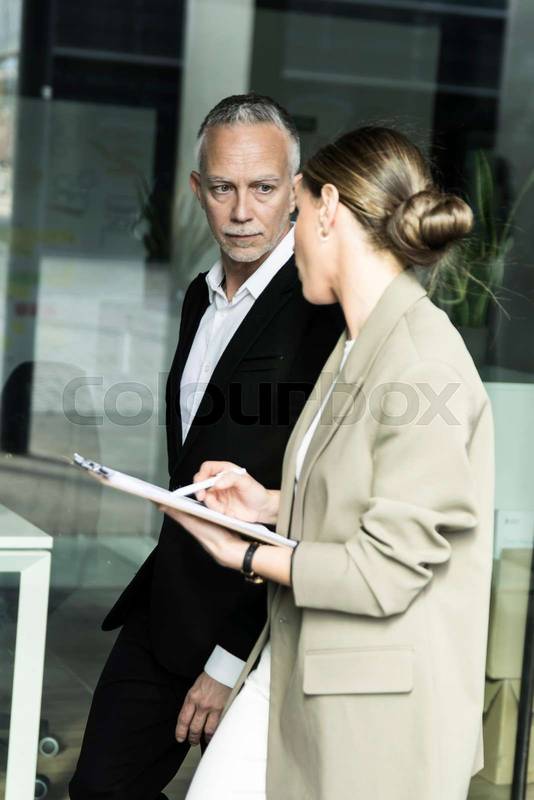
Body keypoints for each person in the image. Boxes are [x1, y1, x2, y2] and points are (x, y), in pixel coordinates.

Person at [159, 126, 495, 800]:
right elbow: (359, 498)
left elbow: (385, 570)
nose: (287, 238)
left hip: (373, 708)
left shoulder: (424, 360)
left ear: (328, 208)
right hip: (299, 667)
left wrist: (246, 555)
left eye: (296, 210)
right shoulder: (355, 345)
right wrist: (266, 505)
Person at [69, 94, 343, 800]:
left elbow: (309, 493)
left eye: (263, 188)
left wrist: (229, 659)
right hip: (170, 601)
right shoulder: (201, 297)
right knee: (100, 787)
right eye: (222, 188)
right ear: (199, 191)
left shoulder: (320, 311)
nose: (242, 211)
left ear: (297, 191)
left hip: (258, 625)